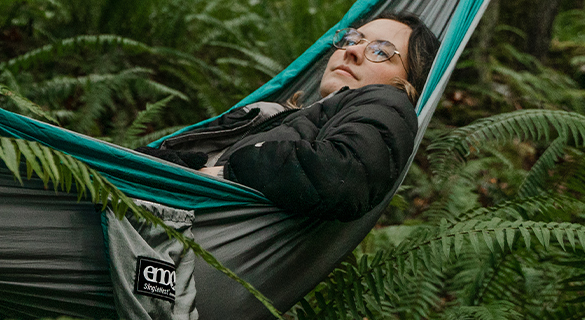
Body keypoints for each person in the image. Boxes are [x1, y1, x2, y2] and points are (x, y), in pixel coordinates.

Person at [138, 13, 439, 221]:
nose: (353, 51)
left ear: (408, 84)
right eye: (352, 39)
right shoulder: (278, 113)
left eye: (381, 51)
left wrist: (223, 172)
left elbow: (344, 172)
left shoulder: (390, 102)